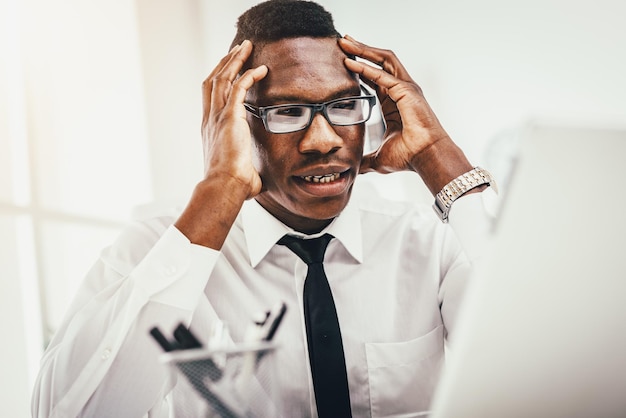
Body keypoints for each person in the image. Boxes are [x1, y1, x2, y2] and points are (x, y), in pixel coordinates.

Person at [32, 0, 496, 416]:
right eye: (287, 112)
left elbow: (550, 366)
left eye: (344, 106)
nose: (324, 140)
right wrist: (218, 188)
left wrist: (439, 155)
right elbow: (66, 412)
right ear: (232, 122)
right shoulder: (156, 247)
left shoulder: (428, 241)